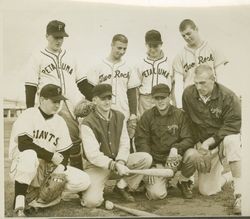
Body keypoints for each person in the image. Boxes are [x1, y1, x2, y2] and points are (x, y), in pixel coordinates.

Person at [9, 84, 90, 217]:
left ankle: (40, 200)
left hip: (47, 169)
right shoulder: (28, 114)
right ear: (42, 99)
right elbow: (24, 144)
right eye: (54, 101)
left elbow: (65, 152)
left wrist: (60, 168)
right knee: (29, 155)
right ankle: (20, 198)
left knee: (83, 180)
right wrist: (51, 156)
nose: (58, 104)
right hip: (24, 166)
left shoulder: (60, 121)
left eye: (59, 101)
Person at [25, 20, 93, 170]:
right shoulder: (37, 57)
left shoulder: (71, 56)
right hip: (49, 106)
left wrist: (95, 97)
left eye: (61, 37)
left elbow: (82, 82)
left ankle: (77, 177)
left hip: (70, 106)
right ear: (47, 36)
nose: (59, 40)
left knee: (74, 142)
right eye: (55, 37)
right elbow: (30, 85)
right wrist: (29, 111)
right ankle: (48, 181)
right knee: (48, 143)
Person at [80, 84, 152, 208]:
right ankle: (89, 189)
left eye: (109, 98)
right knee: (92, 202)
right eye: (103, 99)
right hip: (97, 167)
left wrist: (121, 161)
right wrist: (114, 165)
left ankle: (121, 186)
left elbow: (124, 144)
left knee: (146, 158)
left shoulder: (119, 116)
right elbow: (93, 155)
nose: (107, 101)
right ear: (94, 100)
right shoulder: (87, 122)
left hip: (118, 162)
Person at [182, 64, 241, 214]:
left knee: (232, 140)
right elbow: (188, 122)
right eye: (196, 83)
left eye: (202, 83)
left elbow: (233, 125)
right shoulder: (188, 94)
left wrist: (210, 142)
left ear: (213, 80)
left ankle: (240, 193)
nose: (198, 86)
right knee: (207, 191)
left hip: (222, 142)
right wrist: (198, 147)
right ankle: (227, 177)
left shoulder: (228, 96)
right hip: (204, 146)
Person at [135, 83, 197, 200]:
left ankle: (183, 181)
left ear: (169, 97)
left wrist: (176, 148)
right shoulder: (147, 116)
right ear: (153, 99)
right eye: (157, 98)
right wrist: (151, 166)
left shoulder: (180, 115)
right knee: (156, 195)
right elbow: (141, 141)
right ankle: (157, 182)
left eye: (163, 97)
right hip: (157, 163)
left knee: (193, 155)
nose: (160, 101)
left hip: (175, 159)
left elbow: (189, 138)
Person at [87, 34, 140, 141]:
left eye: (124, 49)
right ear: (112, 45)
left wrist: (133, 114)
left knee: (125, 143)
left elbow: (132, 92)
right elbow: (91, 91)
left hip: (123, 111)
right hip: (102, 112)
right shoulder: (98, 66)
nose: (122, 52)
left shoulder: (128, 67)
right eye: (119, 48)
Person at [172, 19, 229, 108]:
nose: (186, 37)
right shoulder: (179, 56)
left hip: (212, 96)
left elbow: (222, 75)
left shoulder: (213, 48)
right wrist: (180, 105)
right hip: (191, 99)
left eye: (188, 33)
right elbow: (179, 83)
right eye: (183, 36)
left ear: (196, 29)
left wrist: (222, 98)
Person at [137, 30, 174, 116]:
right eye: (150, 46)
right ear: (146, 45)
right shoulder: (140, 63)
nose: (153, 49)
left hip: (163, 99)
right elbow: (136, 89)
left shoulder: (169, 62)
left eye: (155, 46)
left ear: (161, 44)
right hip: (146, 100)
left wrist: (174, 102)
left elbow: (173, 85)